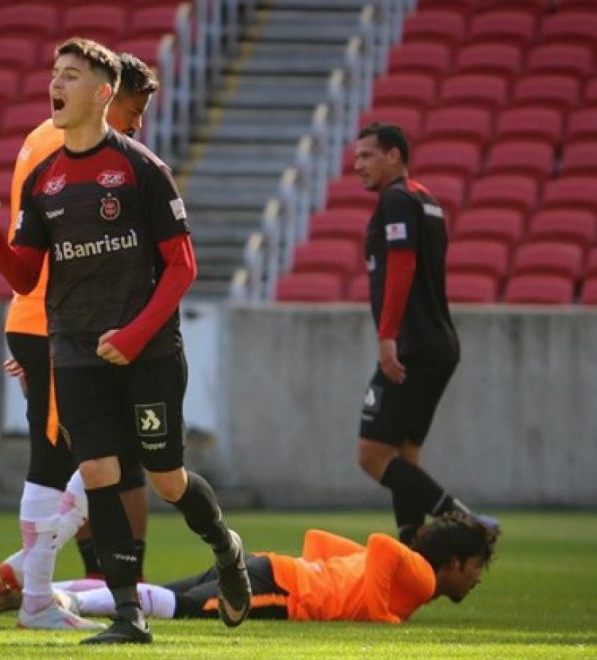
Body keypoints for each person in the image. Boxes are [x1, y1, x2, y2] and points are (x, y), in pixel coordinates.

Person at [0, 37, 252, 645]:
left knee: (166, 480)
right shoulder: (43, 180)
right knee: (98, 473)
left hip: (147, 352)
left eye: (71, 75)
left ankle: (226, 548)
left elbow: (183, 267)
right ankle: (128, 615)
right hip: (74, 351)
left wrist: (134, 335)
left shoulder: (142, 170)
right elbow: (25, 276)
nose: (57, 83)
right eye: (55, 73)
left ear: (101, 93)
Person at [0, 51, 160, 632]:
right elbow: (62, 243)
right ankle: (33, 586)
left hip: (49, 322)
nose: (138, 124)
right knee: (83, 457)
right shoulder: (67, 145)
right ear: (108, 93)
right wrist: (45, 333)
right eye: (135, 109)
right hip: (63, 324)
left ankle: (44, 580)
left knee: (100, 454)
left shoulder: (51, 138)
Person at [353, 122, 499, 545]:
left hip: (411, 346)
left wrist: (387, 336)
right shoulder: (427, 200)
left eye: (367, 156)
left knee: (372, 455)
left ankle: (467, 523)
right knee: (405, 454)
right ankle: (413, 551)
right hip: (439, 343)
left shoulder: (396, 199)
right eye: (357, 157)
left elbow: (403, 265)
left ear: (394, 156)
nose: (358, 165)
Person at [55, 512, 497, 624]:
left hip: (272, 569)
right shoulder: (423, 578)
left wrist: (329, 577)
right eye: (476, 566)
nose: (477, 578)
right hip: (284, 589)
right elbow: (383, 545)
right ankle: (66, 601)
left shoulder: (409, 577)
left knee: (165, 593)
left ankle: (44, 589)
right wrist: (379, 615)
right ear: (454, 562)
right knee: (182, 607)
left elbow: (317, 539)